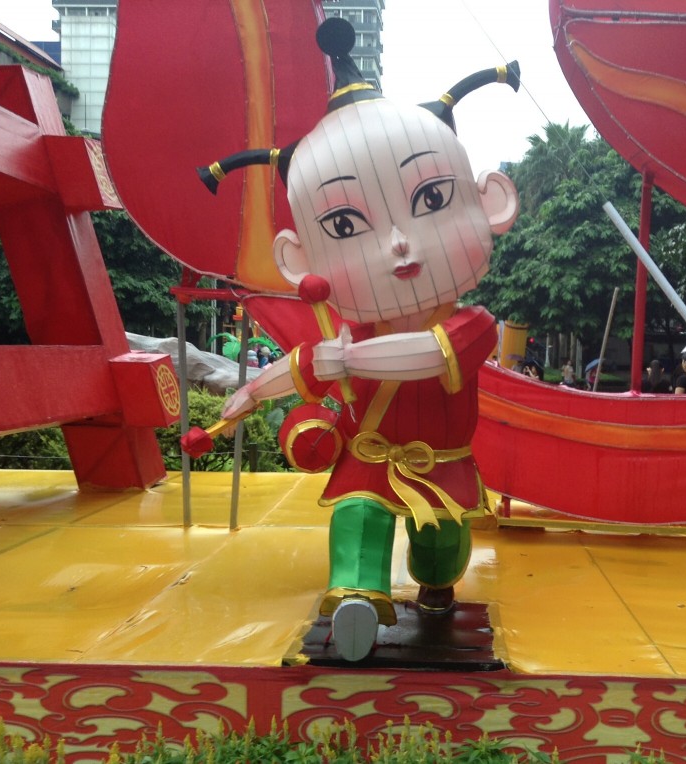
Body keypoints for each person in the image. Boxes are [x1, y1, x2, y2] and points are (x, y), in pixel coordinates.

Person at [213, 18, 520, 662]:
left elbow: (418, 358)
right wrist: (252, 394)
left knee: (441, 550)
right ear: (300, 259)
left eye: (431, 198)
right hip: (370, 451)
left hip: (442, 462)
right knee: (358, 513)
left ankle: (435, 589)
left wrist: (343, 358)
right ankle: (355, 598)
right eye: (348, 223)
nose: (398, 244)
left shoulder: (473, 325)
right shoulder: (347, 335)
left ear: (491, 201)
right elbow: (304, 367)